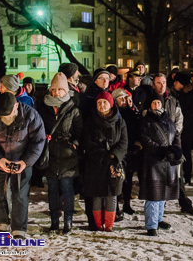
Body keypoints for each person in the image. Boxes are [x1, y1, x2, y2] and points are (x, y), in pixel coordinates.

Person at [0, 92, 46, 238]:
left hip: (21, 161)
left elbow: (38, 142)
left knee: (20, 195)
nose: (6, 118)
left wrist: (25, 162)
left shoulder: (31, 115)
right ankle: (2, 222)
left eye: (9, 115)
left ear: (16, 106)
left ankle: (19, 228)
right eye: (3, 116)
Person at [37, 73, 83, 234]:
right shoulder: (43, 107)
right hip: (50, 154)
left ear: (65, 90)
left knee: (67, 187)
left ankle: (68, 222)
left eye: (60, 89)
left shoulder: (73, 109)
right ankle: (54, 221)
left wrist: (74, 144)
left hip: (67, 154)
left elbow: (80, 132)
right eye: (54, 89)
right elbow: (38, 126)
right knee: (52, 190)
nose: (57, 93)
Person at [152, 73, 193, 215]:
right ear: (154, 85)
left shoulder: (172, 100)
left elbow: (179, 118)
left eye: (164, 82)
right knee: (159, 176)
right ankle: (160, 205)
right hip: (157, 145)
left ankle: (184, 202)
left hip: (173, 142)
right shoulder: (149, 99)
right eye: (158, 83)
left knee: (178, 175)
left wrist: (175, 134)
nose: (161, 85)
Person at [81, 91, 128, 232]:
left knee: (111, 195)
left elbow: (124, 142)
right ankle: (98, 223)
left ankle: (109, 224)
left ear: (111, 104)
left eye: (105, 102)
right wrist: (100, 155)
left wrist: (113, 155)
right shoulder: (90, 120)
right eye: (99, 103)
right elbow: (87, 141)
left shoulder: (120, 121)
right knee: (96, 195)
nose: (102, 105)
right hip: (95, 163)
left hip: (113, 164)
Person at [139, 94, 181, 236]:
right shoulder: (146, 121)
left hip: (167, 162)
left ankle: (159, 219)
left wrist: (176, 150)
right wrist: (161, 150)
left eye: (158, 102)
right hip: (153, 161)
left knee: (162, 193)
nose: (156, 105)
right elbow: (145, 139)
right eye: (154, 102)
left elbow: (175, 135)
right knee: (153, 194)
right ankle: (151, 225)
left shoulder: (168, 119)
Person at [112, 88, 142, 215]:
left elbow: (137, 125)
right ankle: (116, 207)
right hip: (118, 150)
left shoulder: (131, 112)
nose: (124, 101)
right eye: (121, 99)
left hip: (130, 149)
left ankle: (127, 204)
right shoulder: (113, 113)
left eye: (125, 98)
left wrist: (132, 107)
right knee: (117, 179)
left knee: (128, 179)